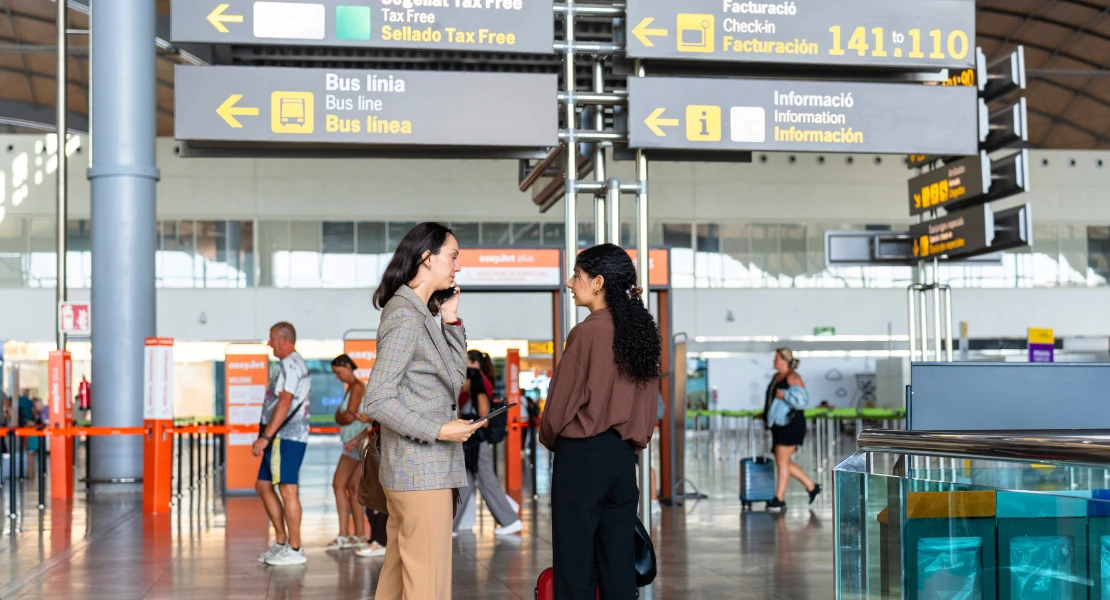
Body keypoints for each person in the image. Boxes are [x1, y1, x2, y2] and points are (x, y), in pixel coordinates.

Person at [361, 222, 484, 600]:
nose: (457, 266)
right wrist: (439, 430)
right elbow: (377, 400)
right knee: (427, 584)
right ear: (427, 258)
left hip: (421, 472)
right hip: (420, 471)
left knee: (399, 579)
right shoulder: (404, 316)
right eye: (453, 256)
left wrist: (449, 320)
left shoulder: (421, 315)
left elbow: (455, 377)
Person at [540, 243, 661, 600]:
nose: (569, 282)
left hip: (582, 456)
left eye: (577, 275)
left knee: (574, 560)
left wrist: (553, 439)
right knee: (617, 560)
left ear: (598, 282)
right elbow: (648, 403)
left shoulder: (586, 333)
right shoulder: (641, 332)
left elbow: (559, 408)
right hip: (623, 459)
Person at [254, 321, 312, 566]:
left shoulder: (290, 364)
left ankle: (295, 548)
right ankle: (281, 542)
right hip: (279, 437)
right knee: (263, 485)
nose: (269, 343)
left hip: (285, 437)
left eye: (272, 338)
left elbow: (285, 402)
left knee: (288, 490)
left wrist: (266, 437)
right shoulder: (290, 363)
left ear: (285, 340)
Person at [452, 350, 523, 537]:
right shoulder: (476, 391)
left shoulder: (480, 391)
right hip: (470, 446)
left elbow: (484, 420)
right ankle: (451, 526)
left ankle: (510, 520)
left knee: (487, 482)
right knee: (465, 484)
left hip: (477, 444)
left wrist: (464, 420)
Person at [762, 347, 821, 510]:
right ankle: (811, 486)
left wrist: (785, 396)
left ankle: (779, 499)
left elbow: (802, 400)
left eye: (776, 358)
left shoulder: (793, 377)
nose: (774, 361)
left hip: (791, 424)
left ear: (785, 360)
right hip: (778, 424)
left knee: (782, 461)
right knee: (782, 460)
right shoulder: (777, 377)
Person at [327, 354, 370, 550]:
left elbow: (348, 416)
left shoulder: (358, 388)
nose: (338, 376)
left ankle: (345, 533)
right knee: (353, 489)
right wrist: (341, 416)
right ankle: (359, 534)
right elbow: (342, 416)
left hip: (356, 445)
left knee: (338, 484)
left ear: (347, 367)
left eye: (338, 372)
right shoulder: (352, 388)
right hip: (354, 444)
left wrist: (342, 417)